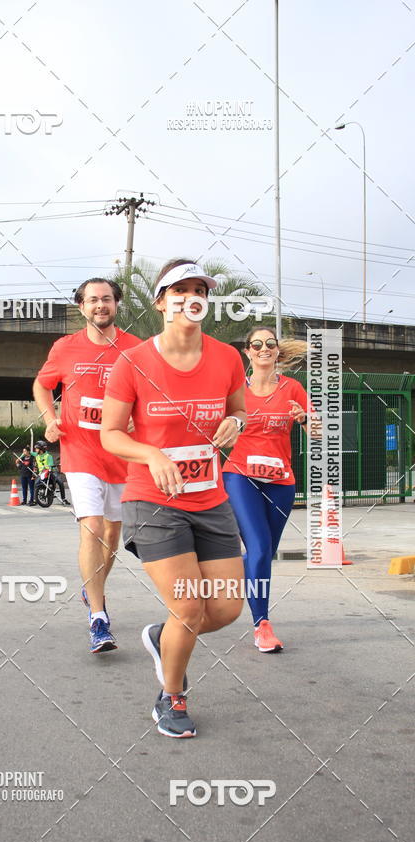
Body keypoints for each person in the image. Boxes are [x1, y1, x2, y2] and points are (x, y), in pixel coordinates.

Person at [101, 259, 247, 738]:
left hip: (210, 497)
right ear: (161, 301)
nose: (190, 296)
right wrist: (152, 454)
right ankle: (172, 695)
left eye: (199, 289)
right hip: (153, 499)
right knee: (189, 606)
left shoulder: (226, 357)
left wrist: (236, 425)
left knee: (225, 608)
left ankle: (161, 639)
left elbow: (239, 411)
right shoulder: (133, 362)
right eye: (178, 289)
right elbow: (110, 435)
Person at [33, 278, 141, 653]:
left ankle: (91, 587)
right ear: (81, 306)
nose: (100, 305)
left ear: (116, 305)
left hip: (121, 456)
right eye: (93, 300)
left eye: (107, 299)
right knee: (92, 528)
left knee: (112, 536)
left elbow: (149, 397)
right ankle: (99, 617)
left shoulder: (135, 349)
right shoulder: (65, 348)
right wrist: (50, 417)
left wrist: (136, 420)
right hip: (79, 452)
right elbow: (42, 384)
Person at [222, 327, 310, 652]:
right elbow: (208, 424)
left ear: (276, 351)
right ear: (247, 352)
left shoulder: (292, 388)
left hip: (281, 482)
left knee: (265, 553)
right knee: (259, 548)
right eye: (256, 344)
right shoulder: (235, 391)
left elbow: (317, 430)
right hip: (240, 475)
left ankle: (244, 572)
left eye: (269, 344)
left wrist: (303, 419)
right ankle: (262, 625)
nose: (263, 348)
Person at [29, 440, 69, 505]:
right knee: (36, 483)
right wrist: (27, 450)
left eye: (36, 448)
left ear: (41, 449)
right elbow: (28, 453)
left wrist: (46, 467)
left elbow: (50, 465)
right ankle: (35, 499)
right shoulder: (37, 455)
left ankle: (63, 499)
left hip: (52, 472)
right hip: (42, 473)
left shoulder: (48, 456)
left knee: (60, 482)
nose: (35, 450)